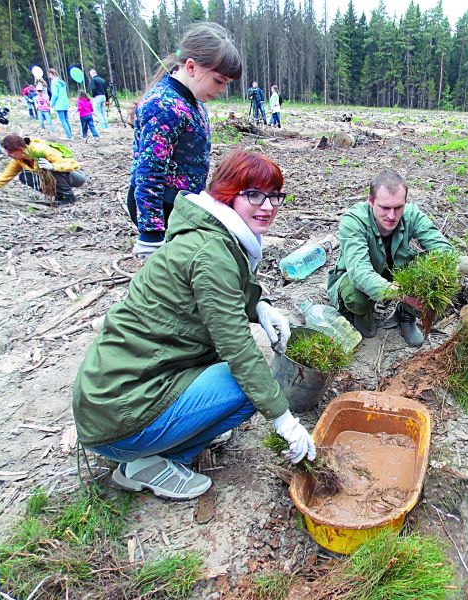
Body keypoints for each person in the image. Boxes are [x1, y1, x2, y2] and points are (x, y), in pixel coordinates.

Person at [73, 150, 315, 500]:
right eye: (254, 195)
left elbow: (211, 302)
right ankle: (150, 464)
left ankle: (173, 433)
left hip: (111, 397)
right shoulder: (212, 252)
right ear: (227, 192)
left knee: (239, 381)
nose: (268, 206)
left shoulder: (211, 233)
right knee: (247, 387)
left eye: (274, 195)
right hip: (118, 416)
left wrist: (258, 307)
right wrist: (284, 420)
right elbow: (238, 349)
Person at [128, 22, 242, 262]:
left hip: (183, 205)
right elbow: (149, 172)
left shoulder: (194, 103)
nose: (222, 90)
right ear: (191, 67)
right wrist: (150, 235)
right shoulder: (164, 105)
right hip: (163, 207)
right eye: (219, 81)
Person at [327, 170, 454, 347]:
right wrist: (402, 294)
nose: (392, 216)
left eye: (398, 207)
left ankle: (405, 315)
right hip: (356, 276)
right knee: (355, 296)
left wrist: (440, 279)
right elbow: (360, 273)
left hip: (394, 271)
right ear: (371, 201)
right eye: (385, 208)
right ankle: (363, 313)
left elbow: (445, 251)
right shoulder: (353, 220)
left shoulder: (412, 215)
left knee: (434, 276)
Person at [0, 134, 86, 203]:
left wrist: (53, 166)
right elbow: (5, 177)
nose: (9, 155)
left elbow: (69, 165)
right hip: (61, 177)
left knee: (47, 168)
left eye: (11, 152)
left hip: (76, 176)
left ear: (20, 149)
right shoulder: (18, 159)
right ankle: (58, 194)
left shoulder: (41, 149)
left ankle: (69, 196)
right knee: (25, 176)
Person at [48, 69, 72, 140]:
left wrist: (51, 103)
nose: (49, 76)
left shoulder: (54, 82)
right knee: (66, 119)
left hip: (59, 104)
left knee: (63, 120)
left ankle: (68, 136)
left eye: (49, 74)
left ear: (51, 74)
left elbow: (55, 94)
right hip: (65, 103)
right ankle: (70, 134)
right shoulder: (62, 82)